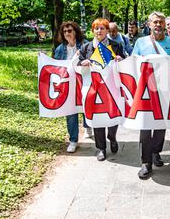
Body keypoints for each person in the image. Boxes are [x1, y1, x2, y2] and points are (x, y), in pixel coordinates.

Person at [133, 11, 170, 179]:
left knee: (161, 126)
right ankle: (145, 162)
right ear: (149, 24)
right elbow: (133, 65)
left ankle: (155, 152)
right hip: (146, 92)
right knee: (146, 126)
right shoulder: (141, 42)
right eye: (155, 22)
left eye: (161, 22)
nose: (158, 25)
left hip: (166, 91)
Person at [78, 18, 126, 161]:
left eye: (102, 28)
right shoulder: (86, 48)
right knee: (98, 118)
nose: (99, 31)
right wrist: (83, 63)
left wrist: (120, 59)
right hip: (94, 87)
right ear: (93, 30)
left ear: (107, 31)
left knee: (113, 113)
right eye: (96, 28)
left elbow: (124, 60)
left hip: (111, 88)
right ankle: (101, 148)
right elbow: (78, 63)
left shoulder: (116, 45)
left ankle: (112, 137)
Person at [54, 21, 91, 153]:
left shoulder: (85, 45)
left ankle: (88, 126)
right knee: (70, 110)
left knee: (86, 105)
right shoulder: (60, 49)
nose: (67, 33)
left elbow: (93, 60)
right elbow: (56, 67)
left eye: (70, 31)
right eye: (64, 31)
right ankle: (73, 140)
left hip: (84, 80)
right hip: (68, 84)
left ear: (75, 31)